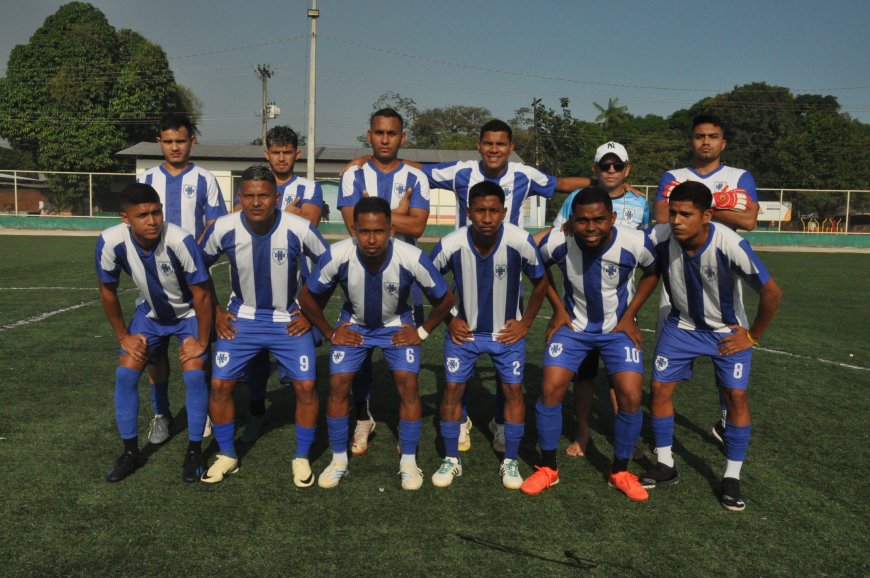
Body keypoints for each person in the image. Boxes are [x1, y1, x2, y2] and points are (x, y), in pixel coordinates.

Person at [639, 181, 782, 511]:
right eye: (673, 212)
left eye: (685, 214)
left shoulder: (729, 242)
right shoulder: (661, 236)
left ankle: (731, 477)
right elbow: (623, 242)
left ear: (707, 215)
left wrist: (751, 335)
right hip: (682, 327)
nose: (676, 220)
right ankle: (665, 463)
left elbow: (772, 292)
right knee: (659, 389)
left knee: (736, 396)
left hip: (726, 332)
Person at [298, 197, 454, 491]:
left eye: (379, 231)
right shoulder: (338, 255)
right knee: (339, 384)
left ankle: (408, 460)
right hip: (354, 325)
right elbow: (306, 297)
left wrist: (420, 333)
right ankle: (339, 459)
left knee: (408, 384)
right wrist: (331, 333)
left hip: (397, 326)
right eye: (365, 231)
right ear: (354, 230)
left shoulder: (411, 257)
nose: (371, 239)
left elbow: (445, 300)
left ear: (391, 230)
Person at [520, 187, 658, 501]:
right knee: (551, 387)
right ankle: (548, 469)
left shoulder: (634, 242)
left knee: (632, 396)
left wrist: (630, 315)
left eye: (599, 219)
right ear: (572, 220)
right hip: (574, 327)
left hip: (616, 328)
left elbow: (653, 272)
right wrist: (557, 308)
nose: (591, 227)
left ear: (612, 217)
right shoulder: (559, 240)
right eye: (582, 221)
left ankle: (620, 471)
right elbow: (535, 267)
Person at [198, 166, 329, 487]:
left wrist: (312, 313)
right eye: (249, 196)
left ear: (277, 197)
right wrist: (215, 312)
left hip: (288, 321)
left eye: (264, 195)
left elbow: (330, 266)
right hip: (241, 318)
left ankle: (301, 456)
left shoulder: (299, 228)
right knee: (219, 386)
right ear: (240, 197)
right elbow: (198, 269)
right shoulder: (223, 228)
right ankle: (227, 454)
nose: (256, 202)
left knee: (307, 388)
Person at [429, 181, 547, 489]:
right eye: (480, 210)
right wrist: (449, 321)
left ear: (504, 212)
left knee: (513, 393)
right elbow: (426, 281)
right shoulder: (451, 243)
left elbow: (542, 283)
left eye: (494, 210)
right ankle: (451, 459)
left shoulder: (520, 241)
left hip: (506, 336)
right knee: (452, 391)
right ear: (468, 212)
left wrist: (526, 323)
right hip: (464, 335)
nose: (487, 217)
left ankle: (510, 461)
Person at [96, 183, 212, 483]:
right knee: (125, 374)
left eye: (156, 212)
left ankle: (195, 450)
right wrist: (124, 336)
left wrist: (200, 340)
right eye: (143, 215)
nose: (152, 221)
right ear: (125, 218)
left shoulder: (181, 240)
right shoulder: (110, 241)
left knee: (195, 373)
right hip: (149, 315)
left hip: (187, 314)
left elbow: (202, 295)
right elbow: (107, 292)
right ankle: (132, 452)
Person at [654, 113, 759, 444]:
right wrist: (719, 205)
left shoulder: (740, 176)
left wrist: (704, 204)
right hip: (676, 273)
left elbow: (750, 220)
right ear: (691, 141)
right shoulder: (673, 175)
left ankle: (726, 420)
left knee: (726, 349)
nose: (706, 141)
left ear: (722, 143)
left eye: (713, 136)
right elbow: (660, 215)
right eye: (699, 136)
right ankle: (660, 427)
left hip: (722, 274)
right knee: (664, 364)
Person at [543, 141, 650, 458]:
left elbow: (646, 253)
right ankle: (583, 434)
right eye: (606, 166)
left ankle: (624, 438)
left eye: (618, 166)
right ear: (596, 169)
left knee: (622, 381)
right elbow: (556, 238)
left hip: (620, 304)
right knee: (585, 376)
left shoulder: (639, 203)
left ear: (627, 169)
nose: (612, 171)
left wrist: (631, 313)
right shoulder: (575, 201)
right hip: (579, 303)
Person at [336, 108, 431, 457]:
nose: (386, 139)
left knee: (407, 358)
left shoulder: (416, 177)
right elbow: (353, 227)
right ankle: (363, 417)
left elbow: (419, 227)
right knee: (359, 357)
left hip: (406, 281)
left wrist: (375, 214)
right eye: (379, 133)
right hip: (361, 276)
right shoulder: (353, 174)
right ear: (369, 135)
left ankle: (404, 432)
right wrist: (398, 213)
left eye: (392, 133)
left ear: (403, 137)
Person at [136, 112, 227, 444]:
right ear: (160, 142)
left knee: (197, 352)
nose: (175, 147)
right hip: (153, 284)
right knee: (154, 353)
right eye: (168, 141)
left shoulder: (205, 180)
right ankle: (161, 414)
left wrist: (193, 259)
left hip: (193, 284)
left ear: (192, 141)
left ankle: (200, 414)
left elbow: (215, 225)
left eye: (181, 140)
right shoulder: (146, 181)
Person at [241, 125, 325, 444]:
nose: (280, 158)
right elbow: (240, 216)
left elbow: (308, 224)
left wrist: (278, 215)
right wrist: (286, 213)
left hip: (295, 288)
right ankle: (257, 409)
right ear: (266, 154)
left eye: (286, 152)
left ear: (297, 154)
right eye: (275, 152)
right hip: (254, 285)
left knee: (302, 347)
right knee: (257, 360)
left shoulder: (309, 187)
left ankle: (301, 416)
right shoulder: (254, 184)